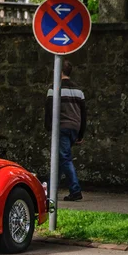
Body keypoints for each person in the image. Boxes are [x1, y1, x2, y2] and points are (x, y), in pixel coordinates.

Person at [44, 60, 87, 202]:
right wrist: (81, 134)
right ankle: (50, 191)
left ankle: (75, 190)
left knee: (65, 158)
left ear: (59, 71)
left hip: (61, 127)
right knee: (60, 159)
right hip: (74, 127)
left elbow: (49, 111)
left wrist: (49, 128)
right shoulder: (79, 91)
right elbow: (83, 114)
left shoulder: (54, 88)